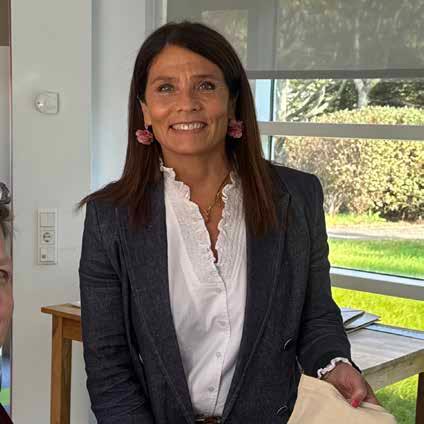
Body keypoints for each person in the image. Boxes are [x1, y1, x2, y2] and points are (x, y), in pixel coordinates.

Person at [78, 21, 378, 424]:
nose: (187, 103)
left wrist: (334, 364)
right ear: (145, 110)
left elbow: (316, 316)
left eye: (205, 85)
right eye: (165, 88)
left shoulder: (297, 197)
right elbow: (109, 366)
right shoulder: (109, 216)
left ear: (233, 102)